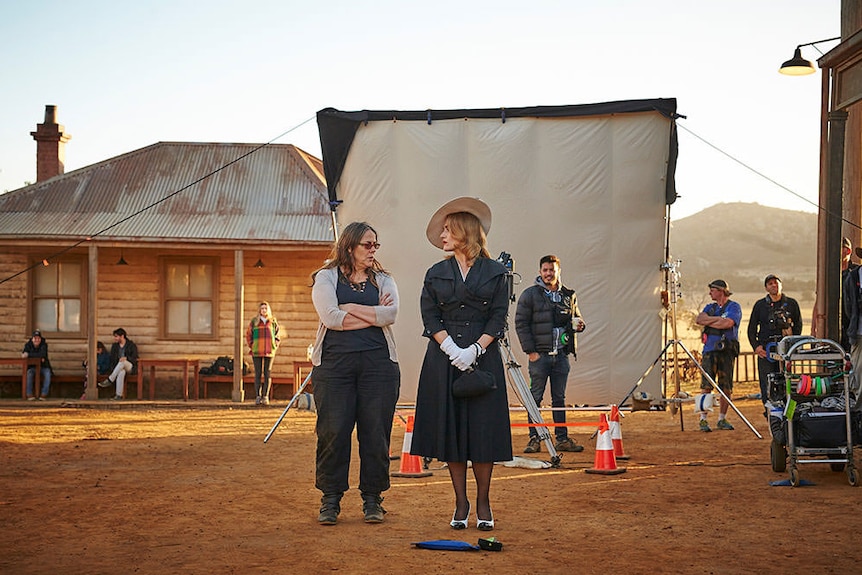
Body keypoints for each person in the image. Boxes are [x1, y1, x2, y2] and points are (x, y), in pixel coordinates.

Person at [411, 197, 512, 533]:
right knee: (451, 430)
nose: (442, 235)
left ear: (464, 231)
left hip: (483, 358)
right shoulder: (436, 272)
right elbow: (429, 314)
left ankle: (483, 501)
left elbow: (498, 317)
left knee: (483, 430)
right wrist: (452, 347)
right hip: (444, 359)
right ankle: (460, 501)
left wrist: (475, 350)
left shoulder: (497, 272)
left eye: (447, 229)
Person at [310, 221, 400, 525]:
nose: (373, 250)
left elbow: (392, 314)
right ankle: (330, 500)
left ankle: (373, 499)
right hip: (334, 368)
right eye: (368, 244)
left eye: (376, 244)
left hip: (379, 367)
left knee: (375, 433)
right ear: (350, 246)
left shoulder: (384, 279)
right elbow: (331, 318)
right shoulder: (325, 277)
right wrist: (373, 315)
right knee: (333, 431)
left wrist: (350, 307)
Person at [514, 255, 586, 453]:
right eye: (545, 270)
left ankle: (562, 439)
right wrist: (531, 352)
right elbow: (521, 323)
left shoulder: (569, 295)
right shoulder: (530, 295)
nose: (548, 274)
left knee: (559, 399)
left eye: (552, 270)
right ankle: (534, 438)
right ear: (540, 272)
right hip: (540, 357)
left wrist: (580, 325)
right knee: (534, 398)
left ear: (558, 271)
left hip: (561, 357)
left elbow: (577, 318)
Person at [747, 274, 802, 411]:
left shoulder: (791, 303)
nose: (773, 285)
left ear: (781, 285)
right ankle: (770, 412)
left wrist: (792, 340)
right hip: (766, 350)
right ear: (766, 288)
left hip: (785, 350)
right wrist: (756, 347)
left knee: (786, 380)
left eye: (776, 283)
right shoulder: (760, 305)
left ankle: (787, 410)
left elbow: (798, 325)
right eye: (770, 283)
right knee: (767, 382)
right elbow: (751, 329)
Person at [695, 280, 742, 432]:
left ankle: (722, 418)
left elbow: (728, 323)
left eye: (712, 290)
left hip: (727, 351)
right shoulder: (710, 307)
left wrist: (711, 322)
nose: (710, 293)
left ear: (721, 291)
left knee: (726, 386)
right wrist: (717, 320)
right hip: (709, 350)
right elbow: (699, 319)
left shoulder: (734, 307)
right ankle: (703, 419)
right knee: (706, 385)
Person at [246, 301, 280, 406]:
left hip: (269, 352)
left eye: (266, 308)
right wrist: (252, 345)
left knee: (267, 374)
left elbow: (277, 335)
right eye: (262, 308)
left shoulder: (273, 321)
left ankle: (265, 396)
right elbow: (248, 335)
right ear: (259, 310)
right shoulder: (254, 321)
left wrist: (275, 345)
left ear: (268, 310)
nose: (264, 310)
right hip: (257, 351)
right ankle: (258, 396)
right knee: (258, 374)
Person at [98, 328, 139, 400]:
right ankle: (118, 395)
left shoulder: (131, 345)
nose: (115, 338)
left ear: (122, 336)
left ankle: (110, 380)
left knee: (122, 362)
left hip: (130, 367)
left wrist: (126, 358)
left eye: (116, 336)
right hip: (119, 368)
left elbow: (135, 358)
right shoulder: (115, 346)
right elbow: (112, 359)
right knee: (121, 372)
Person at [22, 329, 51, 400]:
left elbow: (42, 354)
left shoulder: (44, 345)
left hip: (44, 367)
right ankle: (29, 394)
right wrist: (37, 356)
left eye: (38, 338)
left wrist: (29, 355)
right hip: (32, 367)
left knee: (48, 374)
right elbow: (24, 354)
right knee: (29, 373)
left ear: (40, 339)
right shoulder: (28, 345)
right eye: (35, 338)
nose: (37, 340)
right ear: (32, 339)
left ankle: (44, 394)